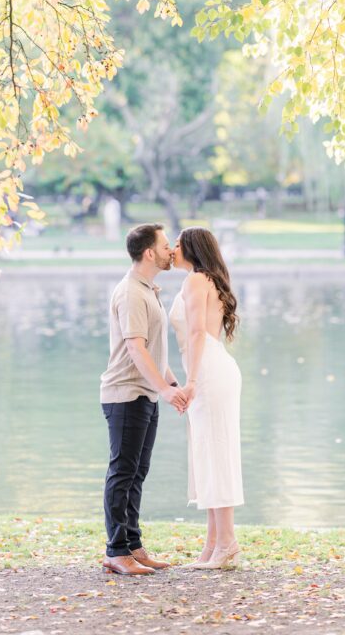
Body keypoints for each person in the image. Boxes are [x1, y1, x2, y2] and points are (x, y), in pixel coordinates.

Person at [100, 223, 188, 576]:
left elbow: (153, 350)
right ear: (149, 252)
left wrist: (171, 383)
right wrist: (165, 391)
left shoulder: (147, 290)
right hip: (126, 393)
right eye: (166, 245)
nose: (171, 250)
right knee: (122, 472)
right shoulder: (132, 293)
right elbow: (136, 349)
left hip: (145, 391)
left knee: (137, 472)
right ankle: (115, 551)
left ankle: (133, 546)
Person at [170, 227, 243, 568]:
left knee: (214, 452)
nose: (172, 248)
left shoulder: (196, 281)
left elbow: (198, 331)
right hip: (212, 367)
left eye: (178, 244)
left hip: (209, 372)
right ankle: (213, 544)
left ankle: (227, 542)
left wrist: (191, 381)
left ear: (192, 249)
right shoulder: (203, 280)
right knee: (209, 452)